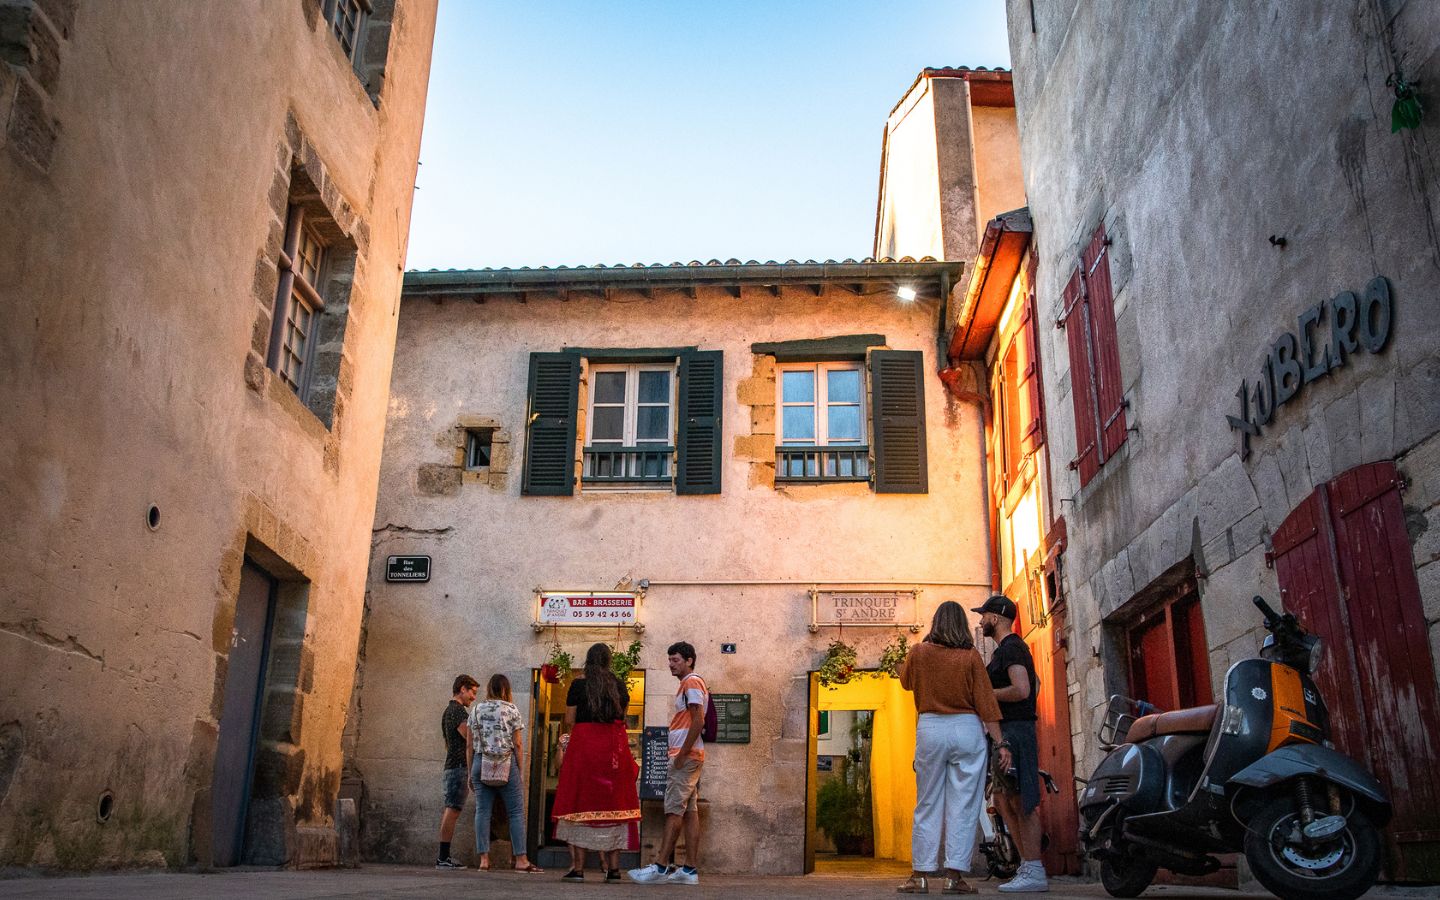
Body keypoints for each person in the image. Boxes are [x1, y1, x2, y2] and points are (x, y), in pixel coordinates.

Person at [897, 601, 1008, 895]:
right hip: (967, 729)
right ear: (961, 624)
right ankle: (953, 876)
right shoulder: (970, 656)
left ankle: (919, 876)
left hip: (931, 728)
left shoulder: (919, 653)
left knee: (928, 802)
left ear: (936, 623)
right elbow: (986, 702)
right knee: (964, 805)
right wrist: (1001, 742)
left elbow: (906, 683)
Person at [974, 595, 1048, 893]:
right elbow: (1037, 684)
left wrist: (987, 696)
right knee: (1004, 801)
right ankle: (1026, 867)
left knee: (1022, 801)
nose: (981, 621)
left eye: (984, 616)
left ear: (997, 617)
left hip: (1016, 733)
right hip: (1010, 730)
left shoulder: (1013, 647)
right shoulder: (1007, 650)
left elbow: (1023, 688)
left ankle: (1034, 869)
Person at [552, 643, 641, 883]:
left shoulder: (579, 685)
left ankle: (578, 869)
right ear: (608, 661)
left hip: (585, 750)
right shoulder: (619, 686)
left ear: (588, 660)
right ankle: (614, 869)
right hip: (613, 750)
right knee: (615, 806)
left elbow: (570, 719)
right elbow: (622, 717)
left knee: (579, 804)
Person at [628, 641, 708, 886]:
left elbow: (698, 720)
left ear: (689, 660)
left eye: (675, 660)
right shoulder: (689, 683)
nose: (671, 664)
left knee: (674, 810)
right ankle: (689, 870)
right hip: (691, 756)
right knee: (689, 812)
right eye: (670, 660)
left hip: (686, 757)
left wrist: (681, 754)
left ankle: (661, 867)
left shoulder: (691, 682)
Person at [466, 673, 543, 873]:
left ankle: (484, 859)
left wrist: (469, 773)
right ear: (506, 689)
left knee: (482, 811)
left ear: (490, 688)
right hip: (506, 764)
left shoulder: (475, 710)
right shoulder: (511, 710)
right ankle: (521, 860)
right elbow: (517, 744)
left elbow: (469, 746)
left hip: (480, 762)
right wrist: (520, 770)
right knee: (516, 813)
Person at [436, 674, 478, 869]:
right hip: (459, 767)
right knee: (452, 810)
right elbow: (470, 739)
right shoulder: (457, 712)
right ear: (463, 689)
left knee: (451, 809)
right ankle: (443, 858)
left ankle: (443, 858)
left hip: (453, 766)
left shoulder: (450, 710)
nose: (474, 697)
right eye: (473, 692)